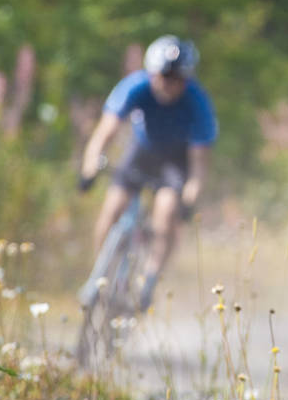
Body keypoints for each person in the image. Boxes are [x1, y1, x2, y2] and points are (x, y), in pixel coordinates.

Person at [77, 34, 217, 313]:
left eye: (177, 78)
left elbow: (199, 165)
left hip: (175, 162)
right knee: (112, 208)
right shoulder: (135, 87)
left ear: (187, 79)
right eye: (164, 76)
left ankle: (148, 282)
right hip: (141, 153)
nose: (169, 84)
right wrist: (89, 168)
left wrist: (189, 198)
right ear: (152, 73)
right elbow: (104, 133)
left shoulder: (197, 102)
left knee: (165, 215)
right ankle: (99, 275)